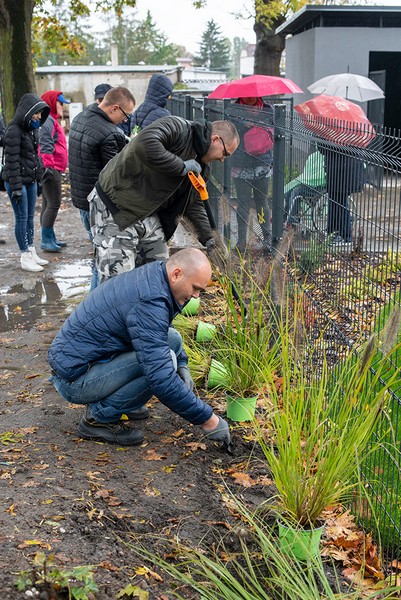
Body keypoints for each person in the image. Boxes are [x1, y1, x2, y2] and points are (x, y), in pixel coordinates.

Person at [48, 247, 231, 447]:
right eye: (195, 288)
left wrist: (183, 365)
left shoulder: (156, 276)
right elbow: (160, 377)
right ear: (177, 274)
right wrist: (209, 420)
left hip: (89, 360)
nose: (196, 296)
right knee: (165, 362)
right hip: (76, 379)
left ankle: (123, 402)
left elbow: (160, 334)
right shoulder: (150, 300)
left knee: (173, 339)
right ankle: (98, 418)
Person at [89, 116, 239, 284]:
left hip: (149, 213)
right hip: (117, 205)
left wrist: (210, 238)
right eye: (224, 153)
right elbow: (143, 144)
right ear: (215, 139)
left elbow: (193, 204)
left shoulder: (202, 168)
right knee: (115, 282)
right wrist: (181, 167)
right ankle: (99, 309)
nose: (222, 159)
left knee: (158, 278)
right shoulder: (178, 127)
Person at [68, 86, 135, 288]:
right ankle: (94, 307)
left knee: (97, 254)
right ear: (114, 108)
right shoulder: (109, 133)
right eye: (126, 115)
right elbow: (116, 177)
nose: (125, 120)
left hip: (81, 200)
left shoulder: (81, 117)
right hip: (98, 207)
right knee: (103, 262)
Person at [2, 93, 50, 272]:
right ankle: (24, 256)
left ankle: (31, 250)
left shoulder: (31, 129)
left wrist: (39, 180)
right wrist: (15, 188)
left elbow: (34, 157)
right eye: (36, 113)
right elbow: (11, 161)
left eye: (40, 113)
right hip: (17, 181)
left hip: (30, 180)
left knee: (30, 217)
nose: (38, 116)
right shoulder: (14, 130)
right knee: (21, 218)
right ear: (27, 112)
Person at [228, 97, 274, 254]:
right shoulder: (233, 110)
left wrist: (258, 126)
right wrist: (242, 126)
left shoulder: (268, 110)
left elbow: (274, 133)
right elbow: (228, 134)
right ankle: (242, 240)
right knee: (243, 203)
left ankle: (266, 238)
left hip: (262, 162)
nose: (250, 97)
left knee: (262, 203)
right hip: (240, 163)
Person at [39, 90, 69, 252]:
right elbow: (45, 143)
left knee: (47, 202)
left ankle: (49, 237)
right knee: (54, 203)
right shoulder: (48, 120)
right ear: (51, 103)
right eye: (60, 103)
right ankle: (46, 239)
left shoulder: (51, 119)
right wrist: (49, 166)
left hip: (53, 166)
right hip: (51, 167)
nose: (63, 107)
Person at [321, 145, 365, 244]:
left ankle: (344, 235)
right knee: (335, 201)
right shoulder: (351, 135)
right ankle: (333, 232)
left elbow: (323, 149)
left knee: (339, 203)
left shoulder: (335, 136)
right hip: (343, 172)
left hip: (341, 173)